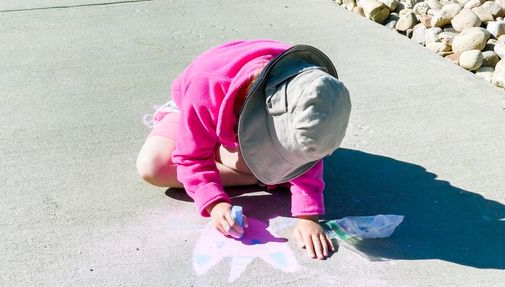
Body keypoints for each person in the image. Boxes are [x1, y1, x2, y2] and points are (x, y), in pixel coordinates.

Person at [136, 40, 351, 260]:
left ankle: (263, 172)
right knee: (152, 167)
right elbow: (191, 157)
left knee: (279, 162)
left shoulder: (308, 92)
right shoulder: (207, 86)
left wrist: (308, 217)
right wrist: (215, 202)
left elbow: (305, 158)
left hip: (241, 117)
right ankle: (262, 176)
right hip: (198, 109)